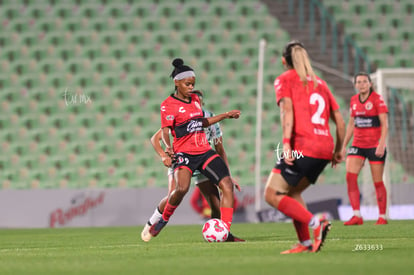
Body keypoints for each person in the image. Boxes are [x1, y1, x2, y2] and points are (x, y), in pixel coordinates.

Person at [264, 40, 345, 254]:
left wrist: (287, 144)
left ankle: (316, 223)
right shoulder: (321, 83)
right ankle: (306, 243)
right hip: (325, 149)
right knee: (292, 192)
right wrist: (338, 150)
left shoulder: (284, 79)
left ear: (284, 61)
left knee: (272, 194)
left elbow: (287, 112)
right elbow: (340, 120)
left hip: (303, 146)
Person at [148, 58, 241, 238]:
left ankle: (225, 232)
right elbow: (165, 131)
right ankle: (163, 219)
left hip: (204, 151)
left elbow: (202, 122)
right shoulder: (168, 105)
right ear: (177, 83)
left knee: (226, 184)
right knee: (181, 189)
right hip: (184, 154)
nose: (191, 87)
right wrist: (167, 148)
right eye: (187, 84)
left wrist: (225, 115)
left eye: (193, 84)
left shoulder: (196, 100)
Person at [341, 72, 388, 226]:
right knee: (350, 177)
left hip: (374, 146)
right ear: (355, 85)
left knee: (378, 182)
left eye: (364, 81)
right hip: (357, 145)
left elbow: (385, 124)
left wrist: (381, 144)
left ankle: (382, 216)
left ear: (370, 84)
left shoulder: (377, 99)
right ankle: (356, 215)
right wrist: (343, 146)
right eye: (359, 82)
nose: (362, 84)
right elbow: (351, 125)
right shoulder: (354, 100)